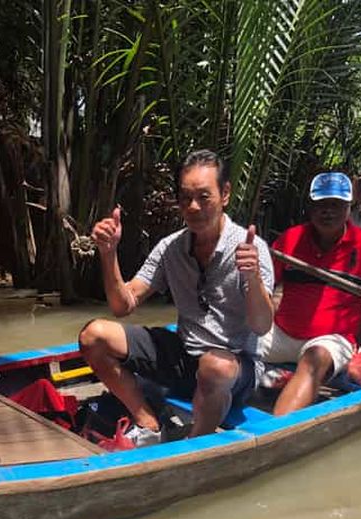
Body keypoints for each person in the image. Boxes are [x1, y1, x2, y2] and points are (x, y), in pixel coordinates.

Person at [79, 150, 275, 445]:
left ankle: (194, 446)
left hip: (234, 370)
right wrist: (109, 255)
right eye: (185, 198)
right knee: (93, 336)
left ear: (225, 194)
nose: (193, 207)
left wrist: (252, 276)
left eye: (204, 197)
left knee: (215, 367)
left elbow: (261, 326)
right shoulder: (171, 247)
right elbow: (123, 305)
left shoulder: (251, 249)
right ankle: (148, 424)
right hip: (185, 356)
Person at [263, 172, 361, 415]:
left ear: (349, 208)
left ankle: (270, 434)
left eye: (336, 205)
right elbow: (264, 283)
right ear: (310, 207)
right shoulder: (291, 239)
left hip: (332, 338)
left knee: (315, 359)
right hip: (282, 331)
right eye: (321, 205)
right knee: (232, 338)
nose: (328, 212)